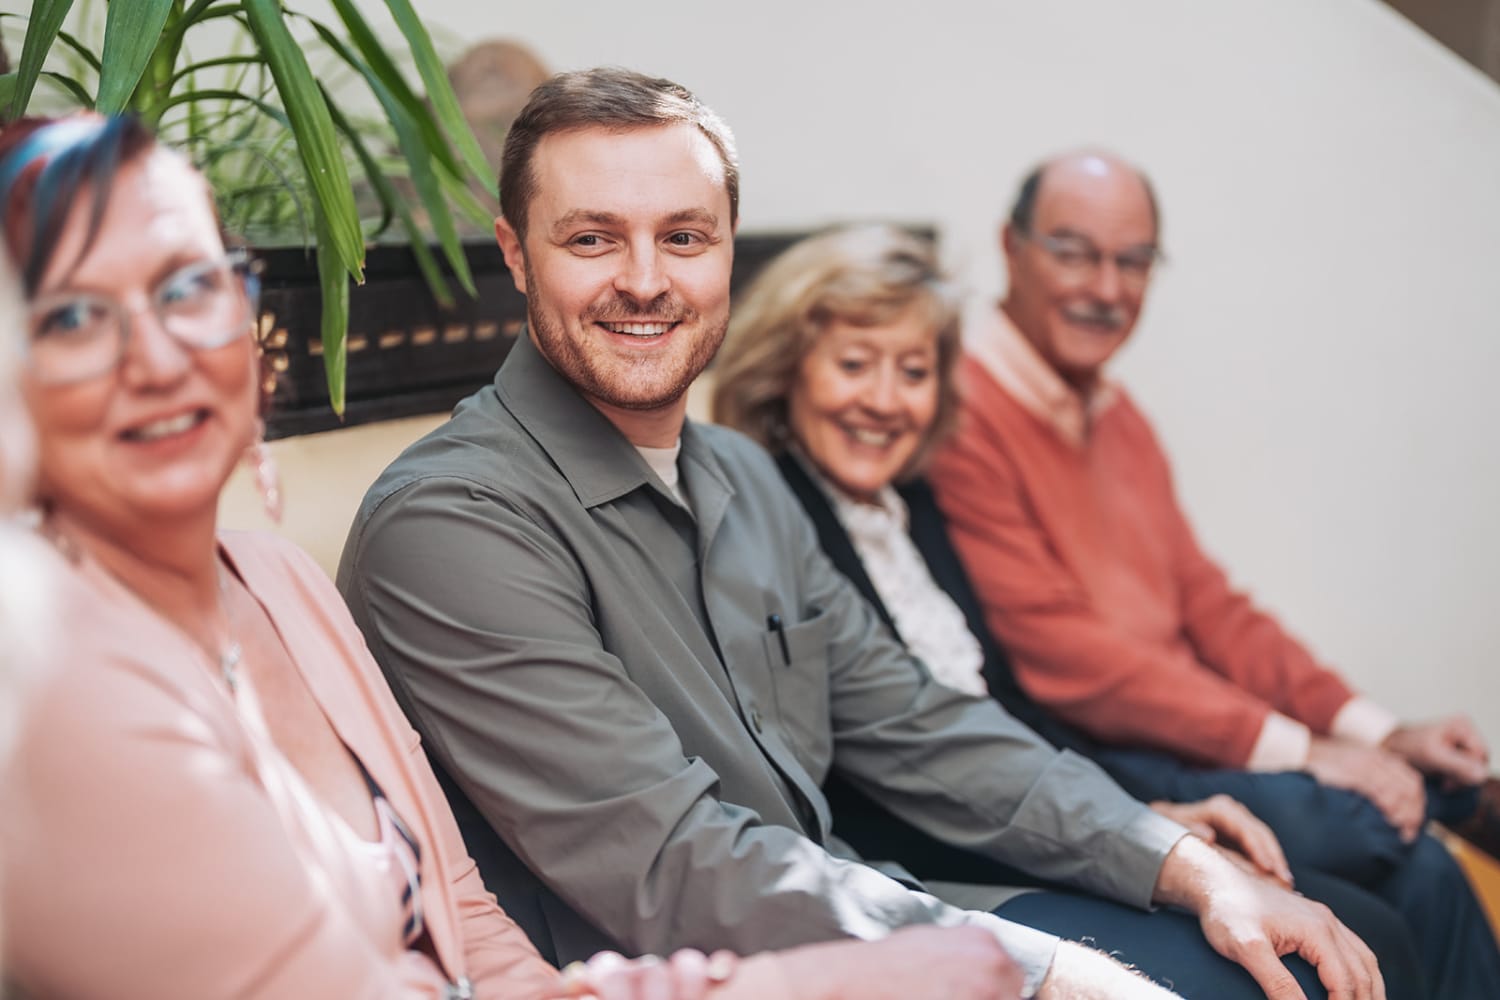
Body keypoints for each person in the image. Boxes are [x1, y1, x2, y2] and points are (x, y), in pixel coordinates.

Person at [339, 67, 1384, 1000]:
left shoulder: (742, 476)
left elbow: (924, 726)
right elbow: (674, 866)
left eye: (685, 236)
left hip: (854, 925)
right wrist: (1042, 972)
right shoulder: (452, 523)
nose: (646, 279)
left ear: (728, 256)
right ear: (517, 257)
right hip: (681, 974)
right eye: (592, 237)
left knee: (1298, 951)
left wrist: (1182, 859)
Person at [0, 114, 1026, 1000]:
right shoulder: (52, 676)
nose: (159, 354)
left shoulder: (278, 579)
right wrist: (793, 982)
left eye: (189, 287)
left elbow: (471, 929)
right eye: (76, 316)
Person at [710, 223, 1449, 997]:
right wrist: (1128, 841)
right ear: (788, 370)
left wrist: (1137, 820)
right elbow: (885, 763)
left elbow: (1012, 705)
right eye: (855, 365)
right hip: (941, 853)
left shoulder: (914, 504)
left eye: (914, 371)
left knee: (1388, 901)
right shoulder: (777, 516)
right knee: (1339, 926)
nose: (885, 401)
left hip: (1043, 804)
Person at [923, 150, 1500, 994]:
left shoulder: (1117, 418)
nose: (1108, 289)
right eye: (1075, 252)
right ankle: (1459, 798)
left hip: (1194, 741)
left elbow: (1212, 607)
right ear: (1011, 249)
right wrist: (1311, 750)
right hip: (1113, 763)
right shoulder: (958, 410)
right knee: (1380, 828)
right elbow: (1069, 657)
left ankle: (1438, 788)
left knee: (1430, 880)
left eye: (1133, 260)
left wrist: (1372, 730)